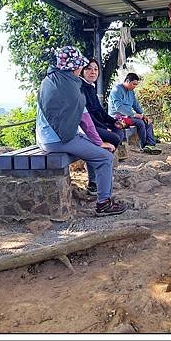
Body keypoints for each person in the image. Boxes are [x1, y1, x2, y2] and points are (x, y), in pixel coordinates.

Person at [36, 46, 127, 216]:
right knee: (105, 156)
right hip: (59, 140)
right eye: (81, 66)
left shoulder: (50, 80)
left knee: (93, 147)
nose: (81, 69)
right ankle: (103, 204)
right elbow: (85, 121)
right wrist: (100, 143)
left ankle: (94, 184)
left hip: (44, 138)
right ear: (74, 67)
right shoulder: (70, 88)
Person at [108, 72, 161, 155]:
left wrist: (143, 115)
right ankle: (143, 146)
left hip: (128, 117)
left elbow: (136, 105)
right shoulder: (117, 90)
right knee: (140, 122)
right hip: (118, 118)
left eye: (136, 85)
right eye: (134, 84)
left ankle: (150, 144)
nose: (134, 86)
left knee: (147, 122)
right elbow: (119, 107)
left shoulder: (131, 92)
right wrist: (134, 115)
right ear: (128, 81)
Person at [80, 60, 126, 151]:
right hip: (88, 126)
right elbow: (87, 115)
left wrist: (114, 122)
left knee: (119, 132)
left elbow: (100, 110)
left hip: (98, 124)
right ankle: (100, 161)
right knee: (114, 138)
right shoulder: (80, 88)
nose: (93, 72)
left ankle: (105, 160)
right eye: (89, 69)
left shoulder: (91, 87)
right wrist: (104, 128)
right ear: (82, 71)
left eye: (96, 69)